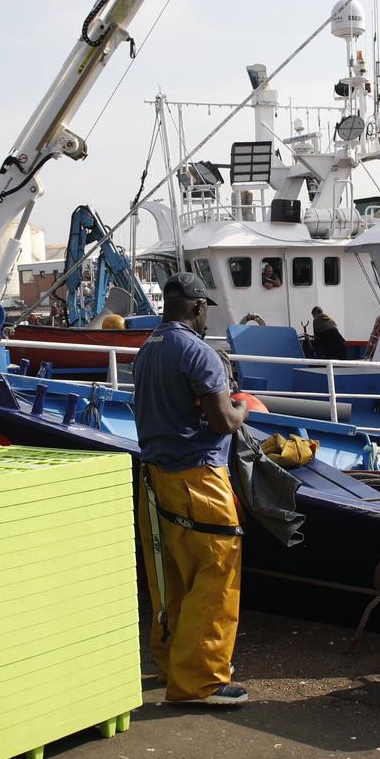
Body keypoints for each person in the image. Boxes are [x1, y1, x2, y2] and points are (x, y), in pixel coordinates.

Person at [131, 272, 250, 707]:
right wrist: (242, 408)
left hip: (155, 479)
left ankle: (171, 663)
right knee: (216, 576)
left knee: (173, 580)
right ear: (198, 307)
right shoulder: (199, 353)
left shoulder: (148, 350)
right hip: (199, 479)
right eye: (205, 311)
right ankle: (201, 681)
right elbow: (223, 421)